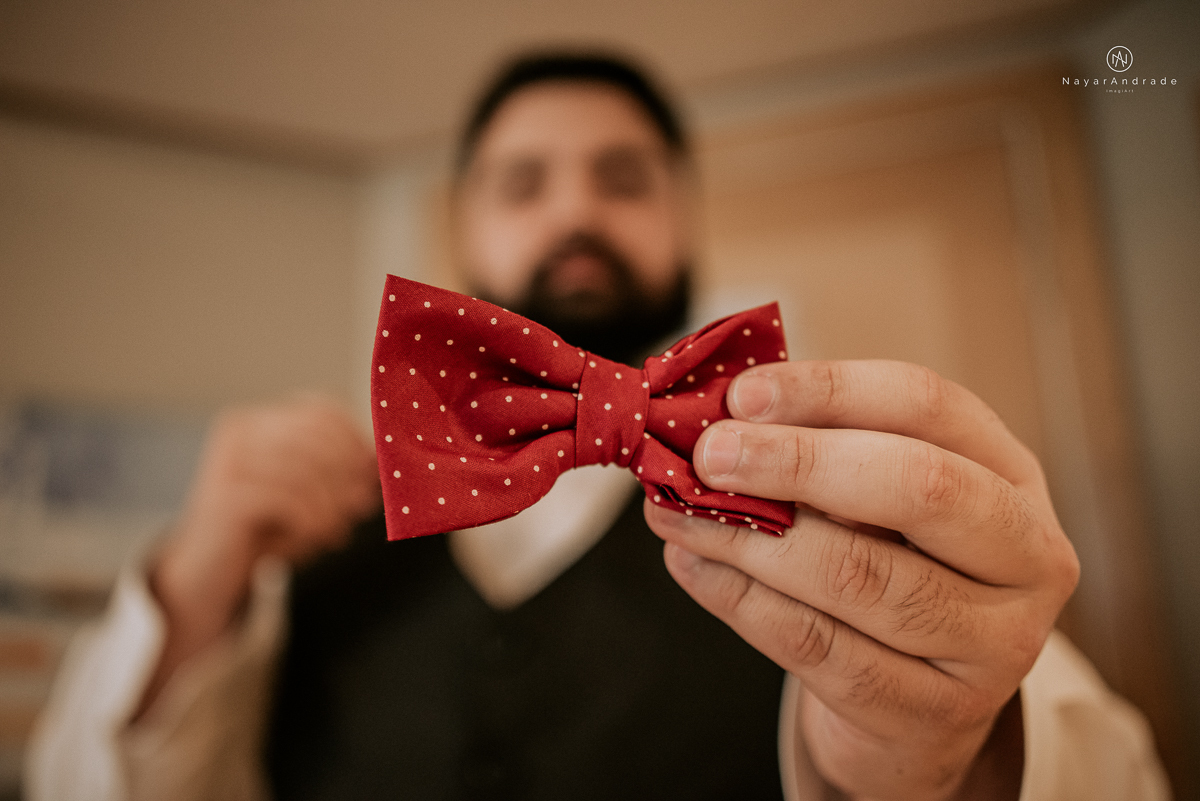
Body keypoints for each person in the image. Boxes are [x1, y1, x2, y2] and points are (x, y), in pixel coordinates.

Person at [26, 53, 1170, 801]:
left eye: (623, 179)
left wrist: (958, 749)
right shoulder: (309, 528)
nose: (575, 211)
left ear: (688, 221)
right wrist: (195, 573)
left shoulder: (829, 496)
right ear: (462, 236)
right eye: (524, 184)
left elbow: (1111, 777)